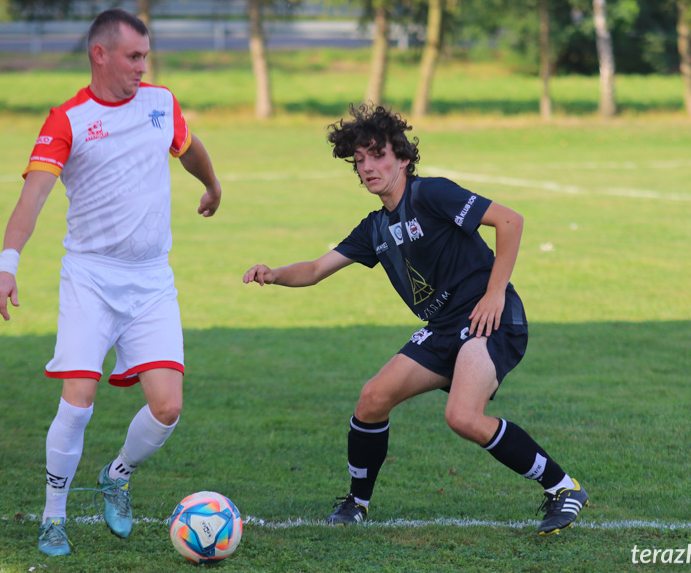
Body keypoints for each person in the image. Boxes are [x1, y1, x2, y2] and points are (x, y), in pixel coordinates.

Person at [243, 104, 587, 535]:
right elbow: (314, 269)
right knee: (372, 399)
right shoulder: (373, 228)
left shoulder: (431, 194)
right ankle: (356, 503)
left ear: (402, 157)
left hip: (487, 320)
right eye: (360, 161)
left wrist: (495, 293)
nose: (368, 167)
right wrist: (273, 275)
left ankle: (562, 487)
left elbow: (510, 220)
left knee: (462, 416)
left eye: (377, 155)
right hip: (443, 329)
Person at [0, 8, 222, 556]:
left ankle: (116, 475)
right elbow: (32, 200)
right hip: (90, 278)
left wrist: (212, 184)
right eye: (134, 56)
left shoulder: (161, 103)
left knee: (167, 406)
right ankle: (53, 516)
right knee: (79, 399)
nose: (144, 66)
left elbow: (188, 147)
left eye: (146, 55)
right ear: (100, 55)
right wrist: (6, 263)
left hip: (151, 280)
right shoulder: (66, 120)